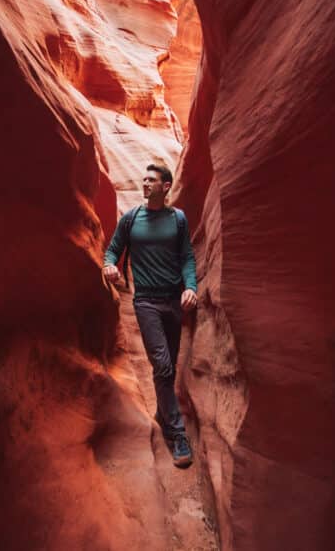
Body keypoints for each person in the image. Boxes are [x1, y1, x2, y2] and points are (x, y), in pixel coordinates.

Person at [102, 163, 198, 468]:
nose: (145, 183)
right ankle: (177, 435)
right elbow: (112, 250)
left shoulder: (178, 219)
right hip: (146, 303)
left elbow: (187, 257)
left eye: (151, 180)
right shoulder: (131, 219)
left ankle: (162, 412)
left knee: (166, 367)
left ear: (166, 186)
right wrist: (109, 265)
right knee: (163, 365)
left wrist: (191, 286)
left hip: (173, 301)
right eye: (143, 179)